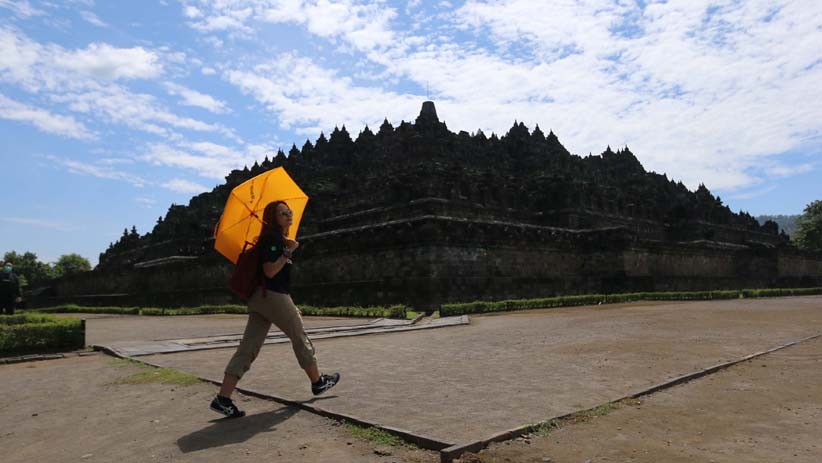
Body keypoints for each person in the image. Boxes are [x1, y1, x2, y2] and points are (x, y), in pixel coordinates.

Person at [211, 200, 341, 418]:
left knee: (249, 348)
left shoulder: (277, 239)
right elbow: (270, 271)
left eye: (289, 211)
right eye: (283, 213)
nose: (289, 215)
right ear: (273, 218)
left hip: (263, 298)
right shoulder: (272, 239)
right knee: (299, 335)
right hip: (271, 295)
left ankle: (222, 398)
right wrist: (288, 251)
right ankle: (318, 382)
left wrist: (286, 247)